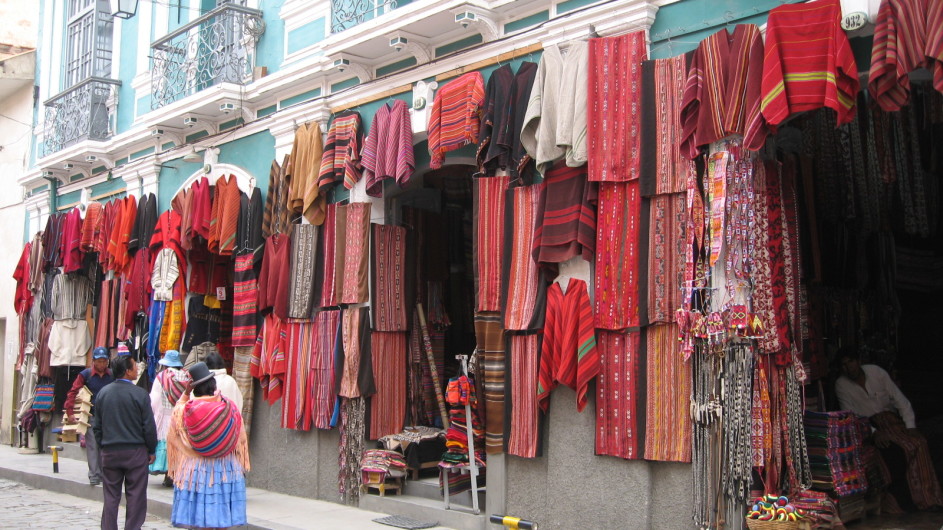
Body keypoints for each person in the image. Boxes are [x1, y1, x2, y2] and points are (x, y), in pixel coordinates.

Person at [835, 349, 943, 511]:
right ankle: (906, 501)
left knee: (919, 443)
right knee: (899, 450)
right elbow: (851, 415)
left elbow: (900, 400)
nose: (848, 367)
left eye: (850, 362)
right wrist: (873, 432)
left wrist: (910, 425)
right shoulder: (841, 384)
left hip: (892, 421)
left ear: (858, 361)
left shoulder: (876, 372)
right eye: (844, 365)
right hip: (869, 426)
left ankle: (929, 498)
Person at [167, 362, 250, 528]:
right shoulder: (229, 407)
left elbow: (173, 430)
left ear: (194, 388)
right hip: (224, 467)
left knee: (197, 517)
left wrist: (185, 393)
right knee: (220, 508)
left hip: (195, 467)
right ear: (213, 385)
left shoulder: (185, 409)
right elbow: (239, 435)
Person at [92, 355, 158, 530]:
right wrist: (151, 449)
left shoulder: (103, 394)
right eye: (135, 366)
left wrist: (103, 445)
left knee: (111, 496)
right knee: (136, 495)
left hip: (110, 452)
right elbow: (149, 427)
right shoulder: (140, 394)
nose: (137, 369)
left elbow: (96, 426)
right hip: (135, 452)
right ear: (128, 372)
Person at [64, 346, 114, 485]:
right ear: (93, 361)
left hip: (108, 416)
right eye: (99, 361)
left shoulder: (112, 375)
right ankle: (94, 474)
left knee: (105, 445)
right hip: (91, 415)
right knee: (92, 445)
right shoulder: (85, 375)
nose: (102, 364)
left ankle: (104, 473)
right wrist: (70, 412)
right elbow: (73, 392)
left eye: (104, 361)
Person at [148, 350, 191, 485]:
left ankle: (168, 474)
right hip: (181, 416)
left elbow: (154, 400)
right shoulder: (187, 376)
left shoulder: (161, 377)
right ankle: (175, 475)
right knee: (179, 445)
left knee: (166, 445)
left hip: (165, 416)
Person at [204, 351, 244, 415]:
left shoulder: (202, 383)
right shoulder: (230, 380)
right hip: (231, 422)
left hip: (208, 423)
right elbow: (239, 403)